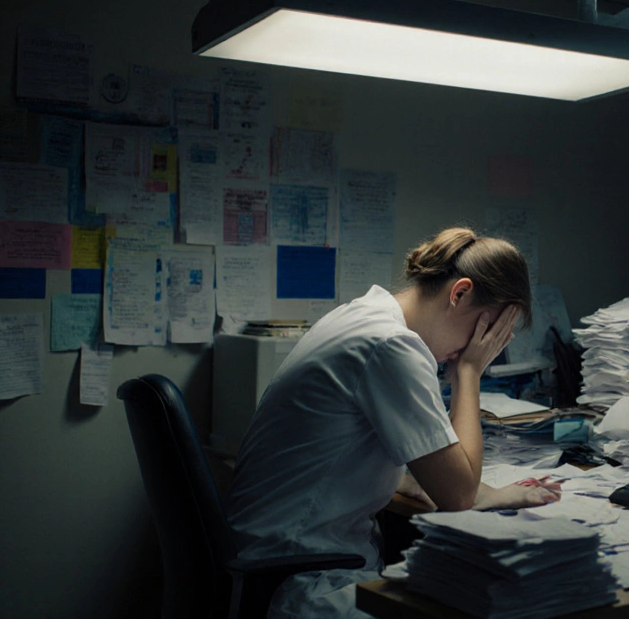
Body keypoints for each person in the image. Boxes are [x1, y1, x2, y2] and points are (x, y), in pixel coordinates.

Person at [225, 227, 561, 618]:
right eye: (485, 332)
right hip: (303, 581)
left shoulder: (362, 315)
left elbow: (345, 451)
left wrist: (454, 485)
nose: (476, 348)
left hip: (275, 560)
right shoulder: (391, 345)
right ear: (460, 293)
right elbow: (458, 498)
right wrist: (469, 372)